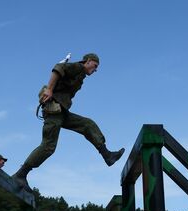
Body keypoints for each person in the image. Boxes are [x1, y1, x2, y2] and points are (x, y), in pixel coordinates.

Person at [13, 53, 125, 191]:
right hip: (54, 110)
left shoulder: (81, 76)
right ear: (88, 61)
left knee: (87, 124)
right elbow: (58, 68)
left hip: (62, 112)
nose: (95, 70)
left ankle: (107, 155)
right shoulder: (78, 67)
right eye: (95, 66)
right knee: (48, 146)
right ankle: (21, 174)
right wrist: (49, 89)